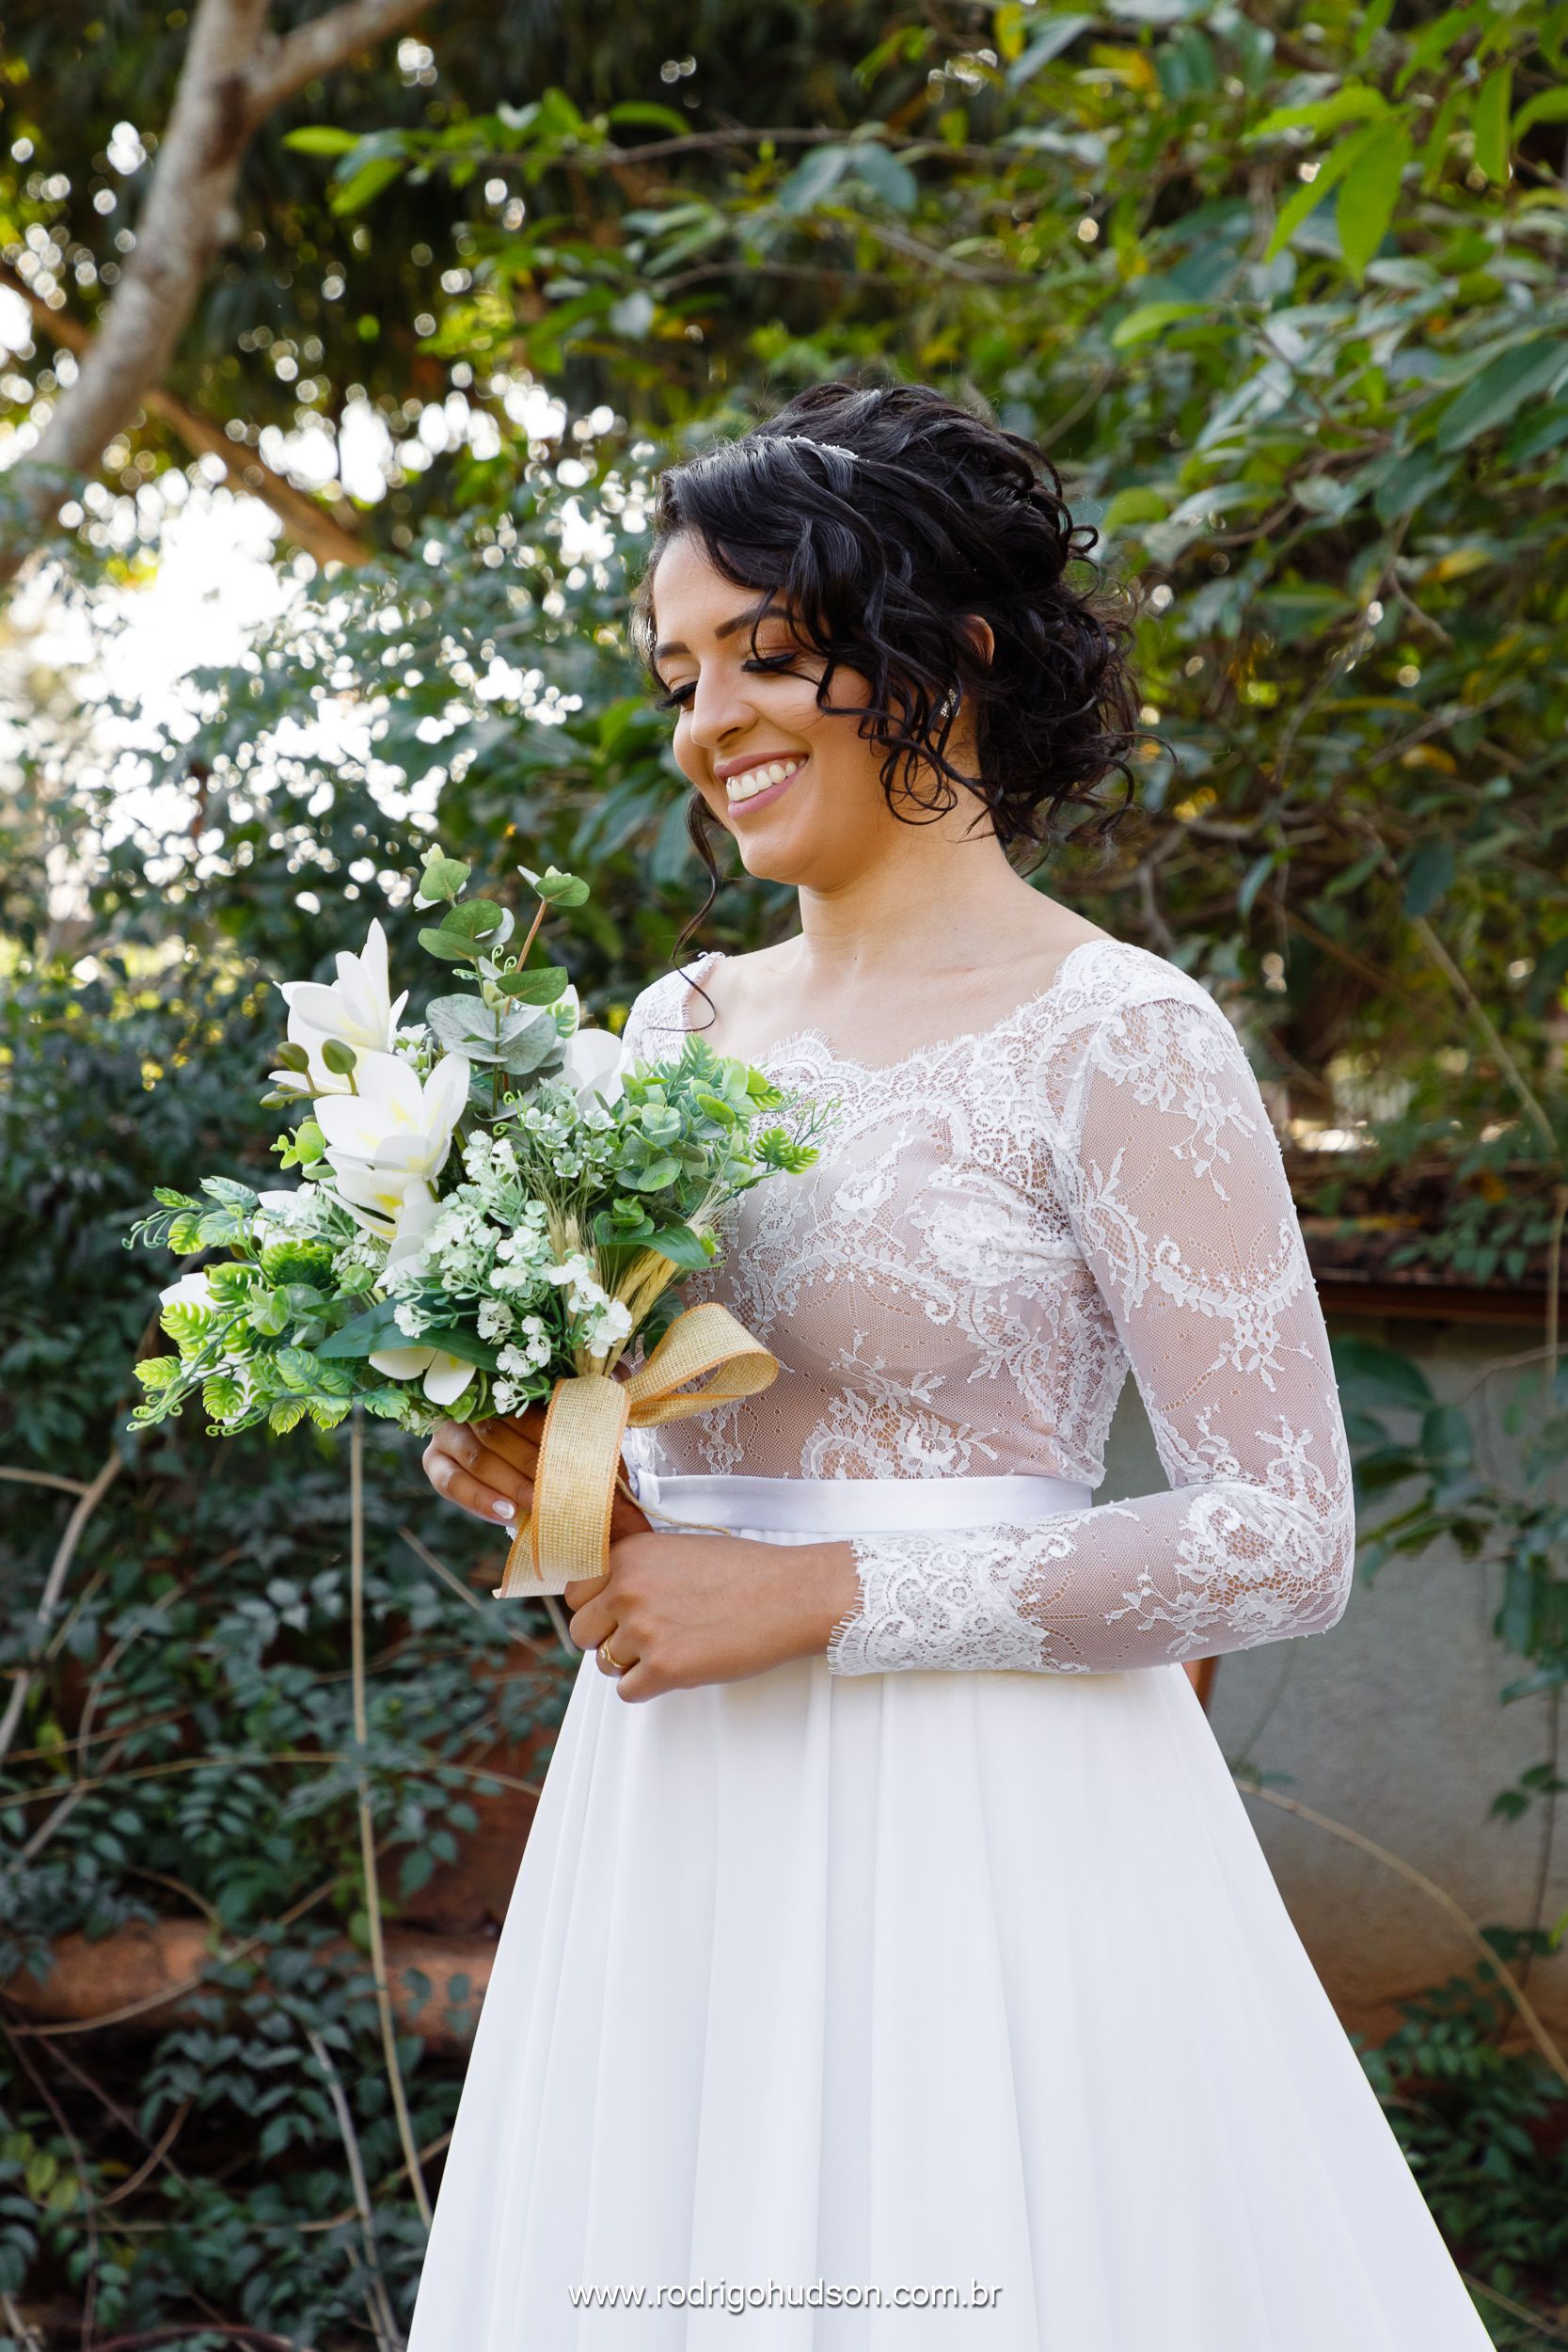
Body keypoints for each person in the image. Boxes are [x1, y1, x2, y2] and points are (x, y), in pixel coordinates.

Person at [405, 383, 1492, 2347]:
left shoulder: (1119, 1035)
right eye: (679, 675)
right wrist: (548, 1479)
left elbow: (1285, 1536)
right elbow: (629, 1485)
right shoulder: (670, 1031)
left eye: (765, 652)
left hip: (998, 1835)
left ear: (951, 652)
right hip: (674, 1826)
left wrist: (821, 1592)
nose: (708, 720)